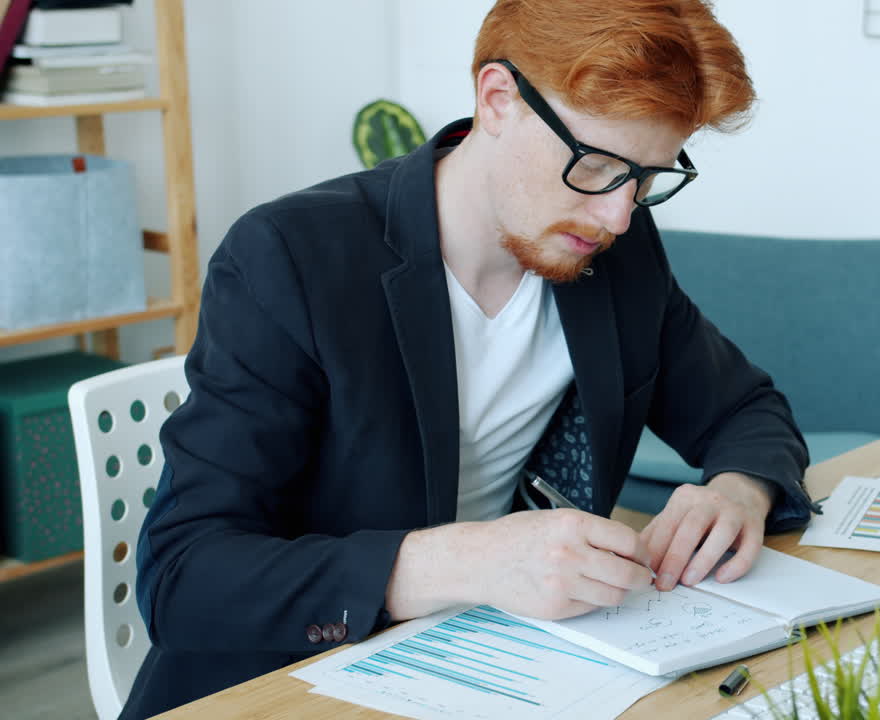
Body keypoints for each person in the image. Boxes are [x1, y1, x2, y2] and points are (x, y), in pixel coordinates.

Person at [122, 1, 818, 717]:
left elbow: (744, 409)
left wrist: (738, 492)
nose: (618, 215)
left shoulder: (616, 251)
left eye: (645, 179)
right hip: (291, 683)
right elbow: (184, 574)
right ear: (497, 99)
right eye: (598, 166)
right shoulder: (290, 258)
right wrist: (467, 561)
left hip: (508, 667)